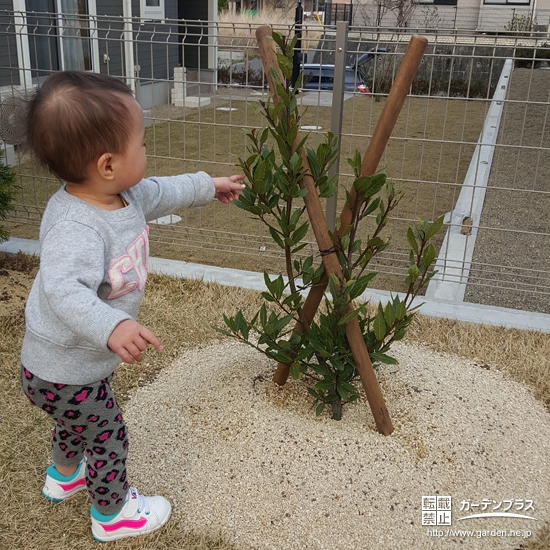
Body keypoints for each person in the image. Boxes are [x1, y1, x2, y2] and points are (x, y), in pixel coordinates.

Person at [20, 71, 245, 542]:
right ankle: (113, 513)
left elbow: (164, 190)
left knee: (76, 422)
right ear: (106, 164)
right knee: (107, 434)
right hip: (61, 367)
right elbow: (63, 290)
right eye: (140, 144)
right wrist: (112, 327)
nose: (147, 153)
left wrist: (210, 184)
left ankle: (64, 477)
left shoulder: (123, 194)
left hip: (75, 366)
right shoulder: (76, 227)